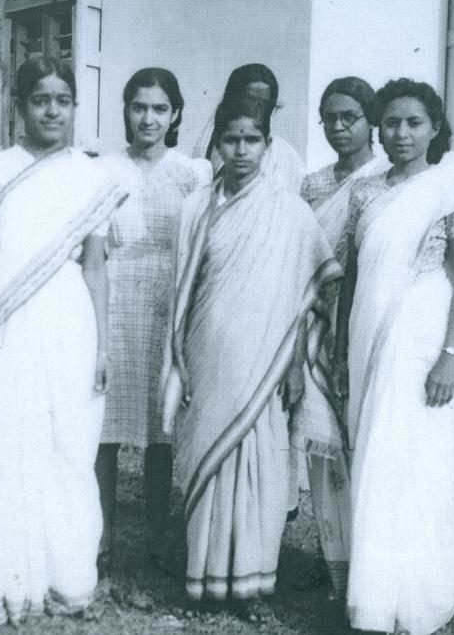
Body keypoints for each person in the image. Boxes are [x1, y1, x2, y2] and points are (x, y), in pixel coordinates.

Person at [162, 94, 341, 622]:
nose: (241, 150)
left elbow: (310, 294)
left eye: (252, 139)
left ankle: (253, 587)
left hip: (266, 364)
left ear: (268, 145)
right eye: (231, 139)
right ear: (216, 143)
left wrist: (291, 366)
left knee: (261, 470)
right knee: (204, 461)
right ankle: (202, 581)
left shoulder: (289, 210)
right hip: (208, 353)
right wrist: (179, 357)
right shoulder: (196, 205)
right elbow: (181, 291)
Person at [0, 57, 126, 625]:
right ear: (20, 107)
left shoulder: (93, 176)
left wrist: (103, 347)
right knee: (12, 451)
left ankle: (69, 580)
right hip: (10, 328)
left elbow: (97, 268)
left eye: (63, 99)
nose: (52, 109)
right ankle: (11, 587)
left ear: (75, 106)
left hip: (72, 326)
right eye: (40, 99)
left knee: (70, 452)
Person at [334, 79, 454, 634]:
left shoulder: (451, 190)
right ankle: (375, 602)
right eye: (390, 123)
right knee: (373, 464)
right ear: (378, 129)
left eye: (413, 123)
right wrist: (338, 353)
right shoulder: (365, 193)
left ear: (434, 128)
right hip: (366, 340)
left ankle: (421, 603)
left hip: (424, 343)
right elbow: (352, 280)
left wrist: (449, 357)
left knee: (418, 466)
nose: (400, 133)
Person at [96, 68, 212, 575]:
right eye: (139, 107)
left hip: (170, 304)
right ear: (126, 111)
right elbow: (93, 252)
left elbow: (202, 249)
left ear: (176, 114)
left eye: (159, 109)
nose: (148, 118)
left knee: (160, 428)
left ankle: (158, 536)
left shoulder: (193, 173)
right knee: (105, 425)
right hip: (115, 301)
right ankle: (97, 533)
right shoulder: (103, 169)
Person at [294, 76, 388, 600]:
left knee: (361, 443)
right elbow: (302, 257)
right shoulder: (311, 185)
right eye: (329, 117)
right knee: (323, 444)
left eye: (349, 116)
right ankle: (337, 568)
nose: (338, 126)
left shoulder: (384, 179)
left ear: (370, 119)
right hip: (319, 324)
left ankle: (371, 568)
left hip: (366, 322)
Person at [192, 63, 306, 195]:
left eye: (264, 104)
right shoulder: (209, 146)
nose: (257, 110)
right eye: (251, 101)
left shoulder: (285, 156)